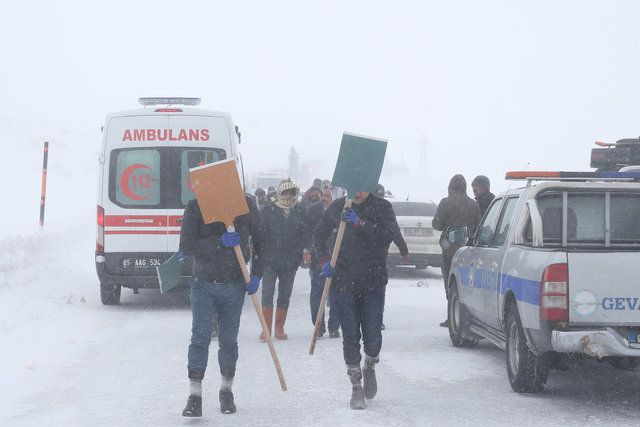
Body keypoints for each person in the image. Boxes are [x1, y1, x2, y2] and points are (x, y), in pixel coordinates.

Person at [179, 194, 265, 417]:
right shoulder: (196, 205)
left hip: (235, 284)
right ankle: (195, 396)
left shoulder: (244, 204)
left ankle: (226, 391)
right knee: (200, 337)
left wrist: (256, 274)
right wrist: (218, 242)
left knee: (228, 340)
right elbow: (187, 246)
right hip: (204, 283)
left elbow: (262, 241)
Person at [314, 190, 399, 410]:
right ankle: (355, 385)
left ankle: (369, 364)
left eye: (362, 186)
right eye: (354, 187)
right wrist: (324, 260)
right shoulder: (337, 207)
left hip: (373, 281)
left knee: (372, 334)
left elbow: (388, 236)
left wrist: (360, 223)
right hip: (344, 281)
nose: (358, 191)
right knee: (350, 334)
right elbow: (319, 236)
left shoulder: (382, 207)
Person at [259, 179, 309, 341]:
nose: (288, 196)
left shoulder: (300, 212)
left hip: (290, 260)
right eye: (285, 193)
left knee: (285, 294)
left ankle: (279, 327)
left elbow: (305, 235)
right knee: (267, 293)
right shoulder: (267, 212)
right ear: (279, 194)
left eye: (292, 193)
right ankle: (266, 329)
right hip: (269, 260)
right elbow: (260, 235)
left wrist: (305, 250)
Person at [432, 175, 481, 327]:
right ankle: (468, 315)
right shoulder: (473, 204)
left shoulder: (446, 202)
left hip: (450, 250)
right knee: (467, 283)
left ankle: (452, 316)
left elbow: (437, 225)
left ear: (450, 187)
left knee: (450, 281)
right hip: (469, 250)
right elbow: (479, 226)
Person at [306, 187, 342, 338]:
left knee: (336, 295)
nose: (324, 198)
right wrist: (307, 249)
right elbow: (308, 232)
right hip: (319, 257)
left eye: (328, 196)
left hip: (339, 258)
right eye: (324, 195)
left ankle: (334, 326)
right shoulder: (313, 210)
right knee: (317, 293)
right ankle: (318, 325)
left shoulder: (342, 211)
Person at [373, 183, 408, 331]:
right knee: (377, 290)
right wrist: (404, 250)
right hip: (372, 255)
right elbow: (394, 230)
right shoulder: (381, 207)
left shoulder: (384, 208)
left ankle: (376, 319)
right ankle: (375, 319)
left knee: (378, 289)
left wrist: (403, 250)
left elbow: (394, 229)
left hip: (378, 255)